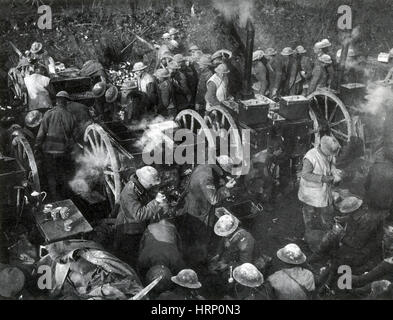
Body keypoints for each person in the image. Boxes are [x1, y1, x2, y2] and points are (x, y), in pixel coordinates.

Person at [179, 155, 237, 267]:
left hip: (192, 202)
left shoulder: (206, 164)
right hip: (200, 209)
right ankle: (201, 261)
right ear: (220, 167)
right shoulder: (206, 177)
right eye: (225, 172)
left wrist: (223, 180)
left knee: (191, 231)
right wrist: (226, 188)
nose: (225, 174)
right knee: (203, 234)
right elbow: (214, 199)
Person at [114, 166, 168, 267]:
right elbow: (139, 215)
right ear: (142, 180)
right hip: (128, 231)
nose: (152, 185)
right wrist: (156, 202)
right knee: (128, 260)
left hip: (138, 228)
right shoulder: (129, 193)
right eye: (151, 184)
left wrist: (157, 196)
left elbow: (147, 195)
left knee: (137, 254)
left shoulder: (141, 186)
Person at [34, 91, 78, 200]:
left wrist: (37, 147)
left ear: (57, 101)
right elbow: (75, 136)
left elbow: (41, 133)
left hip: (49, 151)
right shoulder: (71, 116)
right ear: (66, 102)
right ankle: (65, 197)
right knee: (63, 174)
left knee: (51, 175)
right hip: (64, 151)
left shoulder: (49, 113)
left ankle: (54, 198)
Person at [298, 135, 342, 236]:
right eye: (331, 153)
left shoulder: (329, 153)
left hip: (323, 190)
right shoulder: (311, 157)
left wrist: (334, 171)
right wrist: (323, 178)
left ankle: (327, 229)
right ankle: (309, 233)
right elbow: (305, 174)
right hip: (310, 192)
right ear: (324, 148)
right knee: (309, 212)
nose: (332, 155)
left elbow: (331, 164)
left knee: (326, 210)